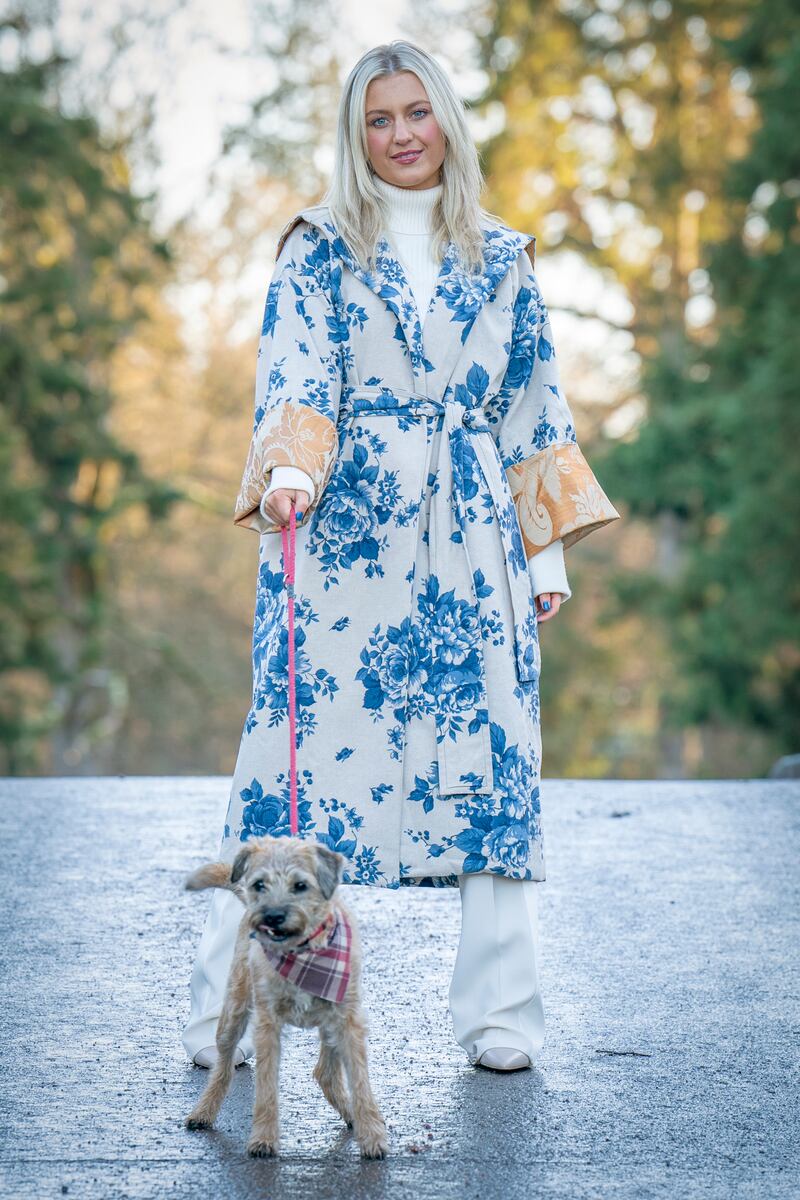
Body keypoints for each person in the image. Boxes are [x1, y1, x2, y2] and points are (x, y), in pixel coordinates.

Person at [182, 40, 620, 1073]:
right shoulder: (318, 248)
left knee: (491, 766)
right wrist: (289, 472)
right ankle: (224, 1011)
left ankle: (501, 1018)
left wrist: (544, 555)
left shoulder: (503, 260)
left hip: (474, 538)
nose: (401, 134)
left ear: (446, 121)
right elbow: (293, 378)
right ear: (355, 134)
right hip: (340, 537)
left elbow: (532, 404)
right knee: (286, 776)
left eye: (416, 113)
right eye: (378, 119)